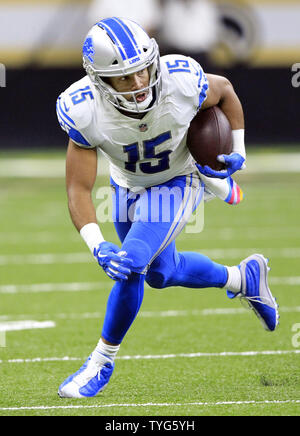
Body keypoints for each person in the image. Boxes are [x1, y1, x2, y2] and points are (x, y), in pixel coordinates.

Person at [56, 17, 279, 399]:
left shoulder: (180, 79)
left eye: (143, 70)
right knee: (161, 273)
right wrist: (96, 245)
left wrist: (238, 153)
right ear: (100, 81)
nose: (140, 83)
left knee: (131, 264)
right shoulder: (82, 108)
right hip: (126, 185)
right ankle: (243, 279)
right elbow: (78, 187)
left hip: (180, 179)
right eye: (125, 78)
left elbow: (225, 91)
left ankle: (100, 362)